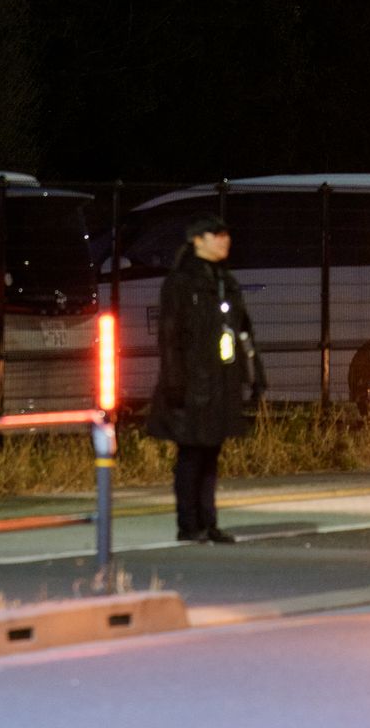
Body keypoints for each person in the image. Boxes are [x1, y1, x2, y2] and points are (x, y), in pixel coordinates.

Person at [145, 212, 264, 544]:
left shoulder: (225, 281)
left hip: (219, 380)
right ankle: (189, 524)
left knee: (211, 451)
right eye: (217, 235)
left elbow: (242, 331)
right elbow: (169, 337)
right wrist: (175, 382)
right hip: (191, 381)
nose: (225, 240)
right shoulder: (181, 282)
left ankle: (207, 522)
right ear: (198, 240)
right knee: (192, 453)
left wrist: (253, 373)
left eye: (226, 234)